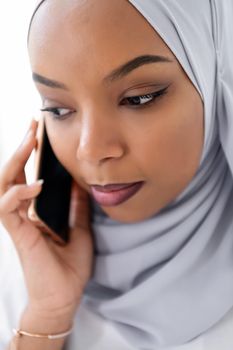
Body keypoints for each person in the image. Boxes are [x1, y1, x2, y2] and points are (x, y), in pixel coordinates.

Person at [0, 0, 233, 349]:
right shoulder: (24, 270)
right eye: (58, 109)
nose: (89, 150)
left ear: (216, 77)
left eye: (139, 98)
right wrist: (47, 317)